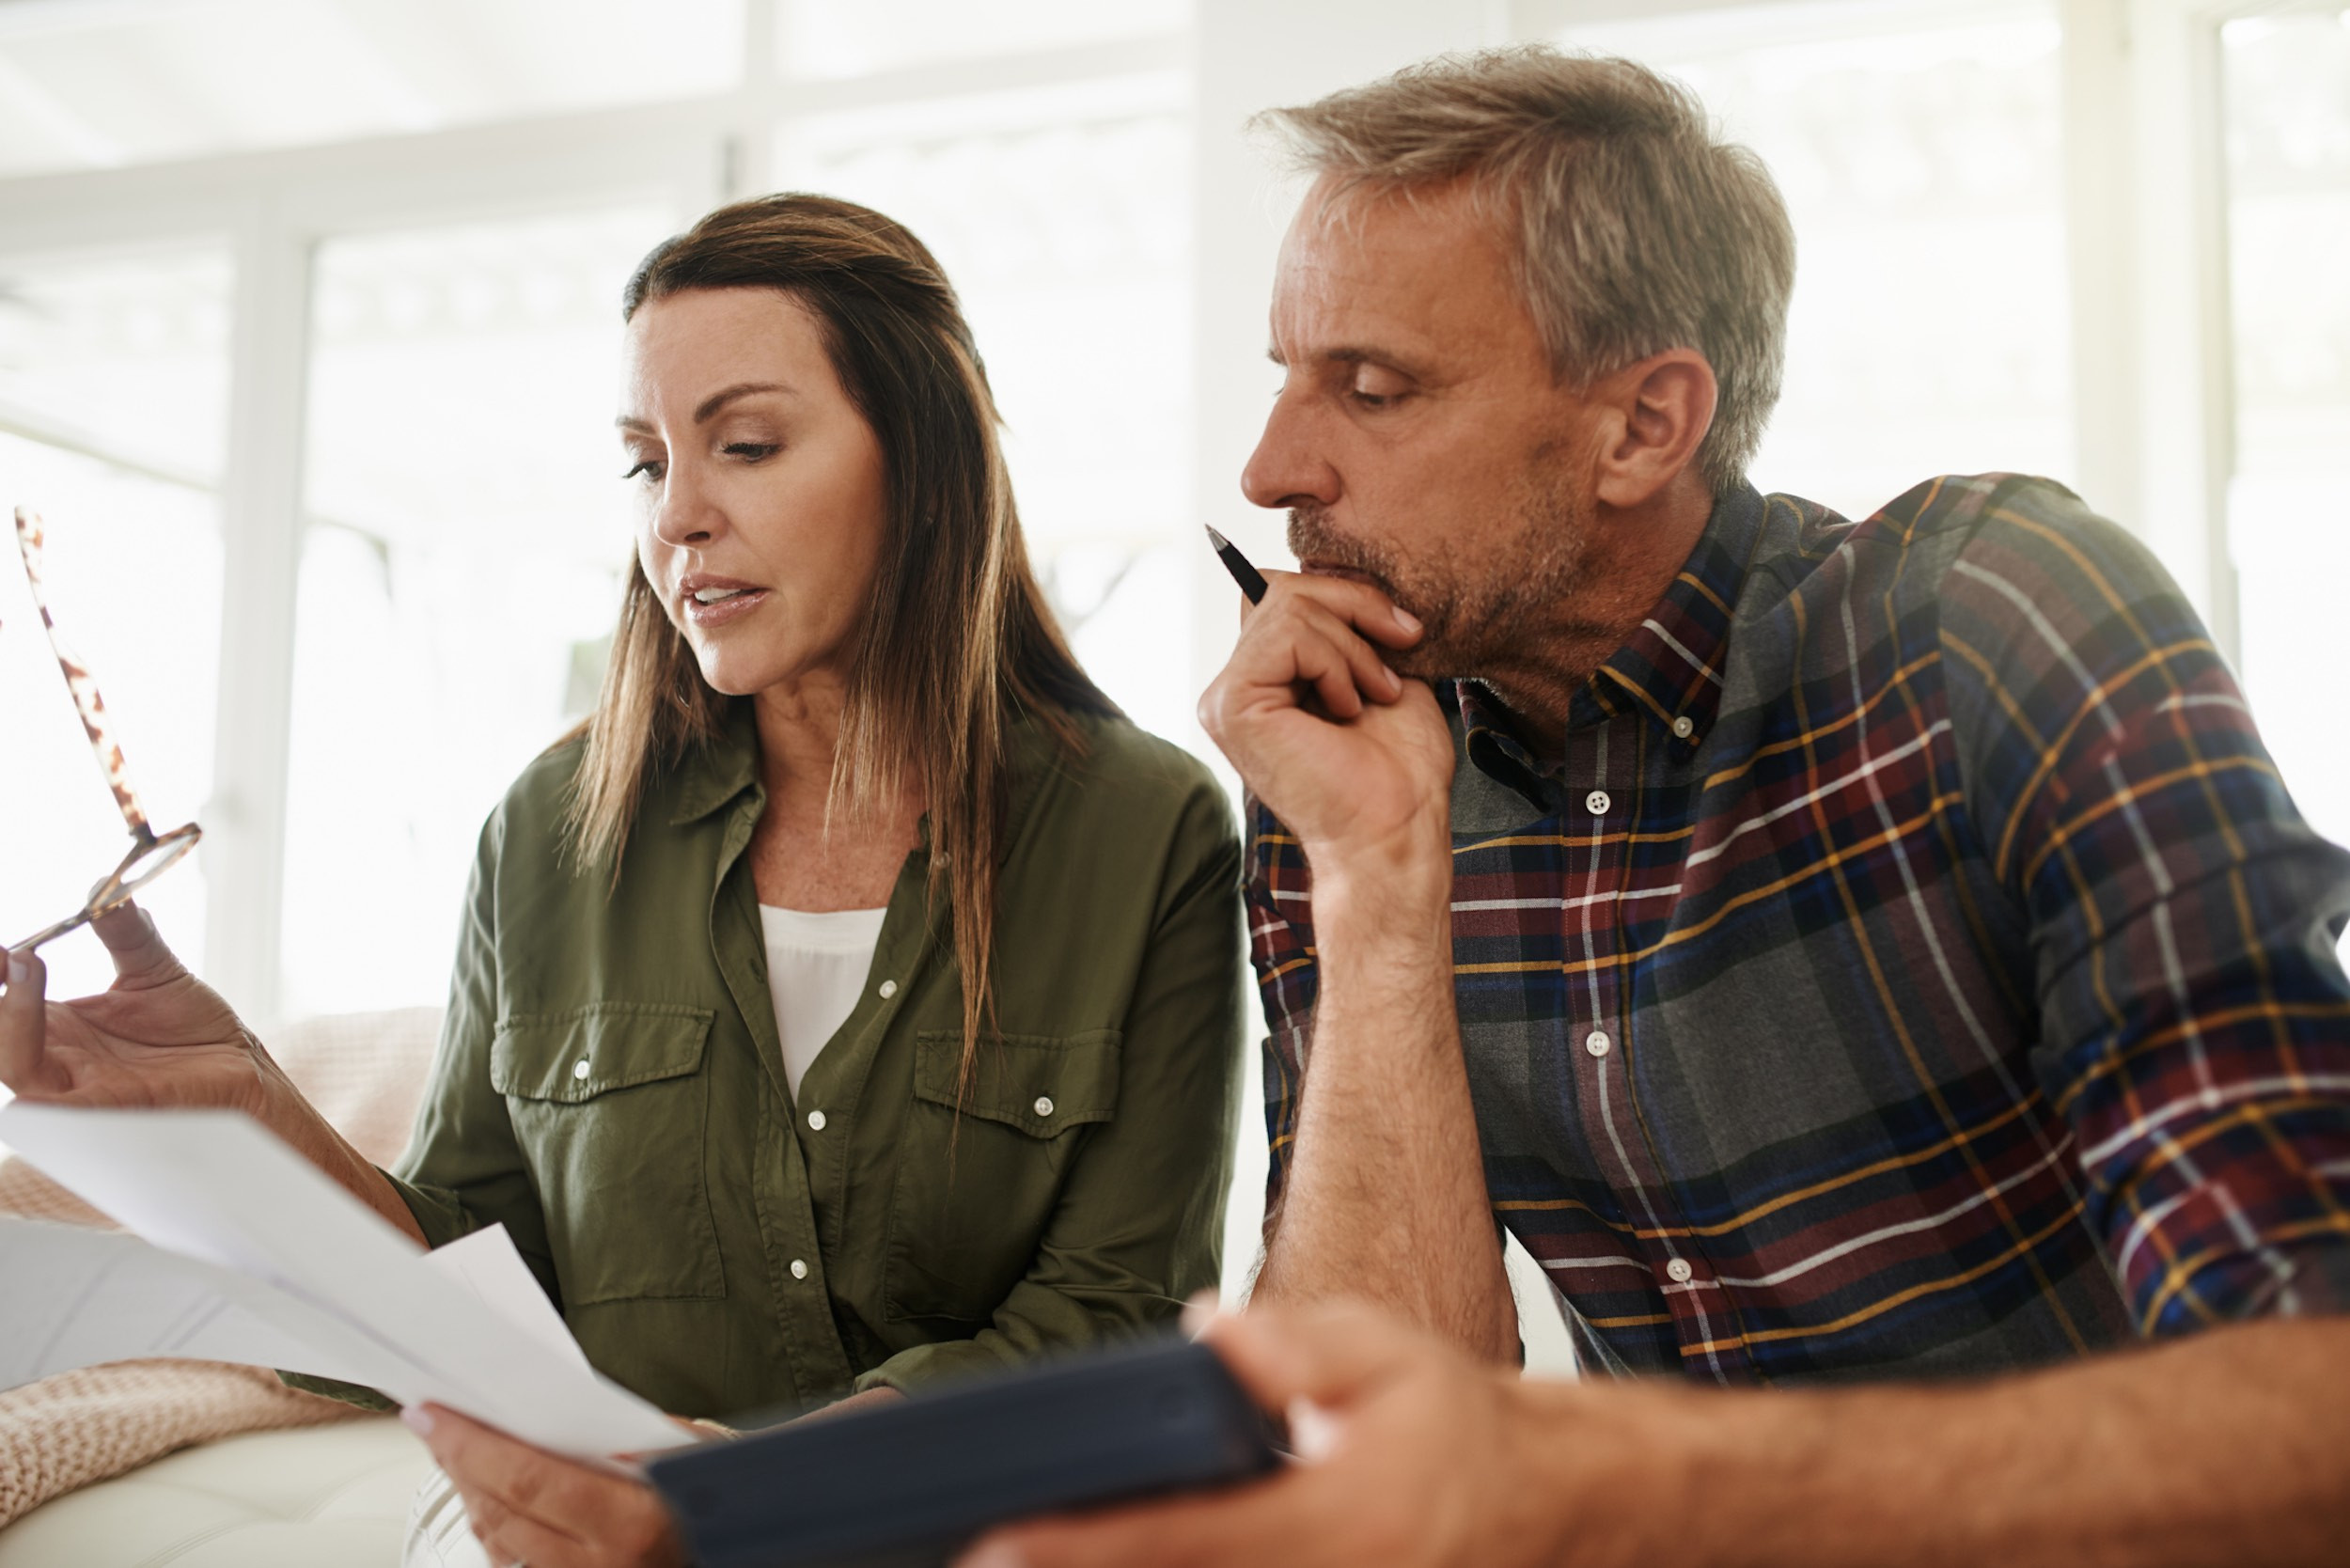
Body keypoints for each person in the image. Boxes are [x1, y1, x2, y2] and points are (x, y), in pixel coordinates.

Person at [962, 45, 2350, 1567]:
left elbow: (2314, 1394)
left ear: (1643, 426)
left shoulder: (1985, 627)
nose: (1274, 464)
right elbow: (1361, 1423)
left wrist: (1617, 1485)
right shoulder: (1357, 779)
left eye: (1372, 387)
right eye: (1287, 379)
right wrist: (1372, 879)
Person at [1, 194, 1248, 1568]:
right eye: (647, 465)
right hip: (564, 1525)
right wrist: (246, 1098)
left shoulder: (1149, 827)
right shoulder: (546, 832)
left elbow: (1115, 1310)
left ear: (926, 461)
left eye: (748, 446)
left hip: (960, 1522)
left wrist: (753, 1492)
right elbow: (474, 1278)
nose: (682, 518)